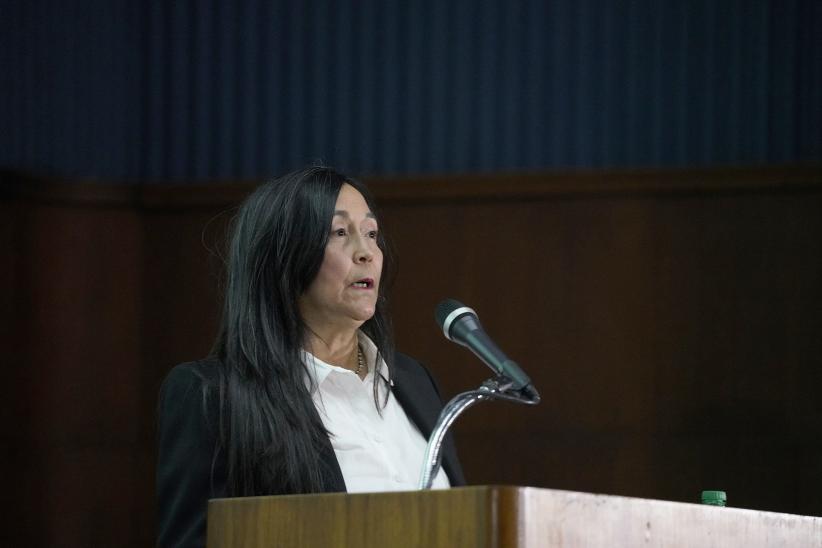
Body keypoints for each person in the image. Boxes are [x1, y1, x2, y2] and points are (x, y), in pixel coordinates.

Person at [156, 166, 464, 548]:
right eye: (339, 233)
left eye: (371, 233)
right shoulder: (214, 396)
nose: (367, 251)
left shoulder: (415, 382)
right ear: (283, 257)